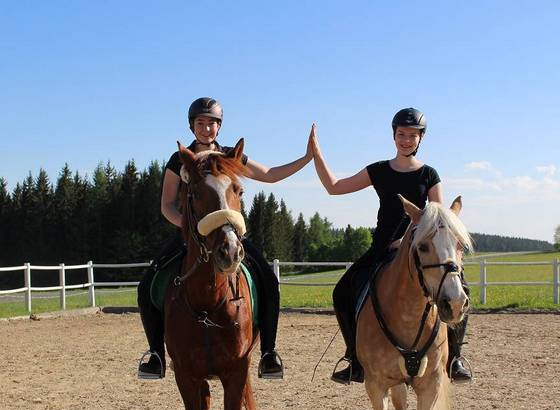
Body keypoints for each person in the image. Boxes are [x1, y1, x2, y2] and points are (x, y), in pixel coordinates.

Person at [137, 97, 313, 380]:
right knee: (148, 285)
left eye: (211, 123)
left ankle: (268, 352)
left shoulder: (232, 156)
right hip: (192, 238)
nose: (206, 129)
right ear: (192, 126)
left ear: (219, 127)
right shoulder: (178, 159)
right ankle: (155, 354)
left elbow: (270, 175)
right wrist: (190, 228)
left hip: (229, 234)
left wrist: (306, 158)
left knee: (268, 280)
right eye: (200, 123)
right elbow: (167, 204)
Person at [310, 108, 472, 384]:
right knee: (342, 292)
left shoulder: (429, 175)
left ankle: (454, 357)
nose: (406, 140)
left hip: (420, 250)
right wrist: (317, 155)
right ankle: (354, 357)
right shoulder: (379, 170)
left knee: (460, 290)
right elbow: (334, 187)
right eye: (401, 134)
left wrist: (409, 239)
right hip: (382, 248)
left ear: (421, 138)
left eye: (412, 135)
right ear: (393, 136)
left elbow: (438, 219)